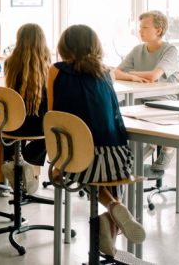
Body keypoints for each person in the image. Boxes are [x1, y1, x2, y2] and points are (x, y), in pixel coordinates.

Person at [49, 24, 145, 258]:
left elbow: (53, 117)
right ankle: (115, 209)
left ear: (64, 47)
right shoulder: (106, 72)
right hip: (117, 161)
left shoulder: (55, 70)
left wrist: (57, 161)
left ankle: (113, 208)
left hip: (77, 159)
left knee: (75, 165)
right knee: (104, 162)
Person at [113, 10, 179, 171]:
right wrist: (133, 77)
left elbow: (153, 75)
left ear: (159, 30)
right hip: (140, 97)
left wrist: (131, 73)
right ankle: (140, 147)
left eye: (145, 27)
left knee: (147, 111)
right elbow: (115, 72)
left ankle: (168, 149)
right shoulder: (138, 49)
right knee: (118, 111)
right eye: (140, 27)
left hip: (164, 99)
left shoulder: (170, 50)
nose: (140, 31)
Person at [1, 23, 51, 195]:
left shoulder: (10, 63)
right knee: (49, 135)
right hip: (39, 126)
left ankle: (17, 161)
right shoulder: (49, 66)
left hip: (15, 124)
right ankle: (25, 163)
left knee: (6, 127)